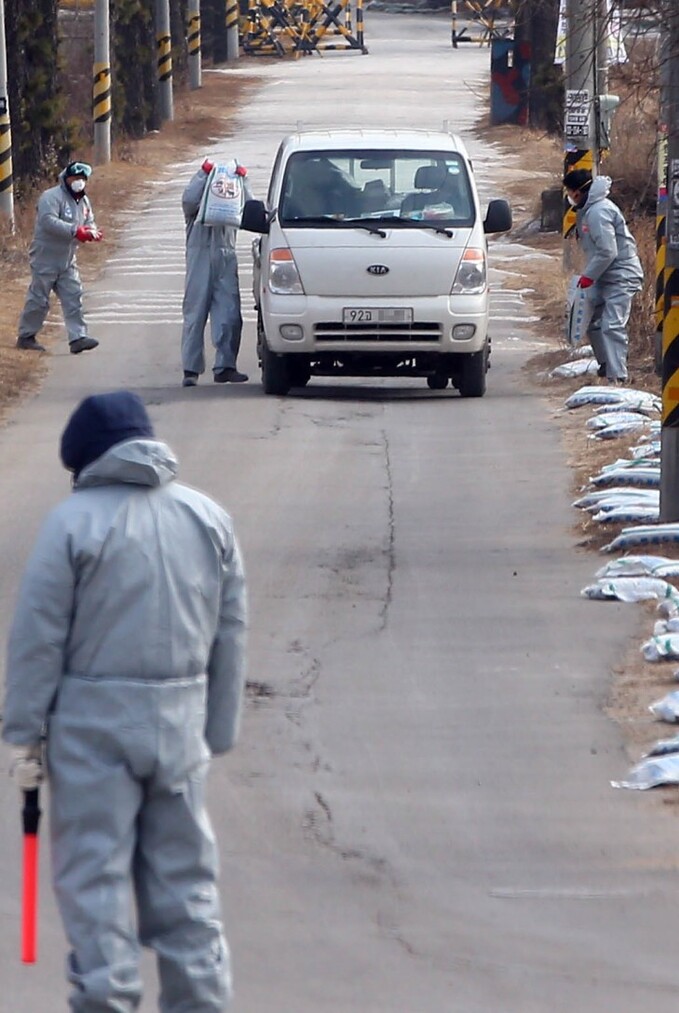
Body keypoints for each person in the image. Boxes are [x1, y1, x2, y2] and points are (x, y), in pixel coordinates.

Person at [2, 390, 247, 1011]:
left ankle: (107, 1001)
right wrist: (216, 730)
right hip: (180, 728)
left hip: (92, 733)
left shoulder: (72, 523)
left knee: (95, 883)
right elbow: (230, 630)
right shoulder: (208, 517)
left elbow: (38, 636)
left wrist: (24, 732)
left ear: (84, 461)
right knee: (188, 887)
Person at [563, 169, 643, 384]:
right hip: (603, 276)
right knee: (593, 322)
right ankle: (607, 364)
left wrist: (589, 276)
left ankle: (618, 376)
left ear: (580, 192)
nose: (569, 196)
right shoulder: (588, 211)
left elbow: (608, 251)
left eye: (571, 192)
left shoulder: (599, 212)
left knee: (611, 325)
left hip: (621, 276)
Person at [16, 160, 103, 355]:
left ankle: (78, 337)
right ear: (66, 178)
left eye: (82, 178)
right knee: (39, 299)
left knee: (74, 296)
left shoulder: (83, 201)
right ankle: (26, 336)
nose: (79, 182)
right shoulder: (51, 197)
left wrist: (92, 232)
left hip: (67, 258)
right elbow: (48, 221)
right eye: (75, 178)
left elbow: (89, 220)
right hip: (45, 256)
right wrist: (75, 231)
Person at [181, 158, 253, 387]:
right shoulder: (195, 211)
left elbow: (249, 209)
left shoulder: (230, 209)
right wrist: (204, 174)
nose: (222, 189)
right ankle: (190, 369)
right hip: (199, 257)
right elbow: (188, 200)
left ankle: (225, 367)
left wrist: (243, 180)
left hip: (226, 257)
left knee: (229, 315)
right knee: (195, 314)